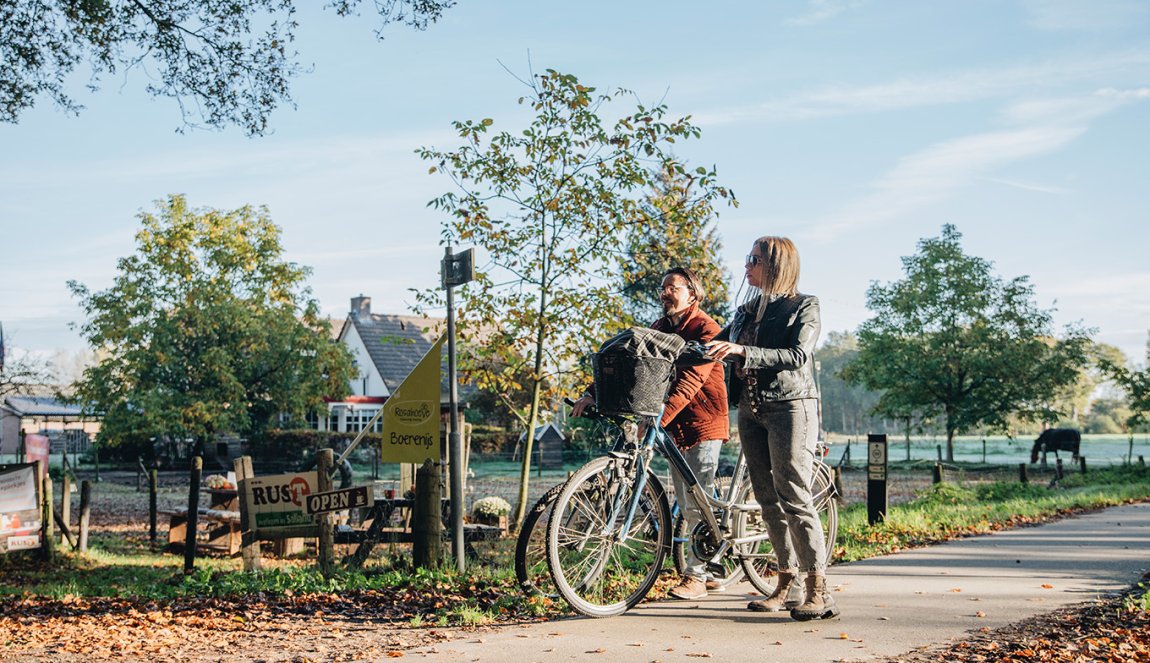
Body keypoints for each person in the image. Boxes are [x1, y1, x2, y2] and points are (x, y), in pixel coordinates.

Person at [573, 267, 729, 600]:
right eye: (662, 288)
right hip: (669, 423)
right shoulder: (658, 329)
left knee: (694, 498)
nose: (664, 293)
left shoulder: (706, 328)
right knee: (688, 499)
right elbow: (631, 364)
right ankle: (714, 562)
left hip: (702, 420)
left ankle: (697, 576)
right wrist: (593, 392)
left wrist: (657, 417)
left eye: (672, 287)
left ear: (692, 293)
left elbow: (690, 382)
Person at [705, 236, 839, 621]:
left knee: (793, 494)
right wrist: (668, 346)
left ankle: (819, 590)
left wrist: (743, 351)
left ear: (776, 265)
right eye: (748, 257)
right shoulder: (746, 312)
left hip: (791, 408)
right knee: (767, 500)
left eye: (755, 259)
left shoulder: (804, 306)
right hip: (750, 410)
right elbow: (713, 344)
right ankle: (785, 583)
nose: (746, 265)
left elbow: (798, 355)